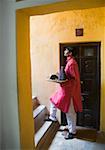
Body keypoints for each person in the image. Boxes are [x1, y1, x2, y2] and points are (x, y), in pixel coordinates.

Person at [48, 47, 82, 139]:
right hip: (65, 90)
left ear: (70, 53)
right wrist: (59, 76)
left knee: (70, 112)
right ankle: (52, 117)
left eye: (66, 50)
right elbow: (68, 76)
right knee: (53, 100)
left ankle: (72, 132)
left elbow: (74, 79)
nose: (64, 51)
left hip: (69, 91)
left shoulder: (72, 63)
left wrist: (62, 81)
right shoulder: (70, 62)